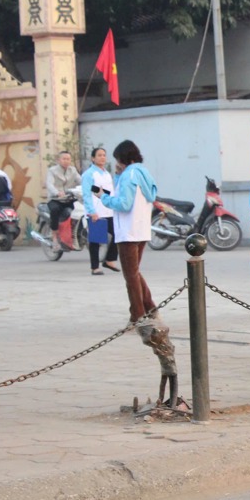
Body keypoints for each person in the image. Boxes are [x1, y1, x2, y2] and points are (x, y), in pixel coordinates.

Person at [100, 141, 177, 384]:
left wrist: (104, 198)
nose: (116, 164)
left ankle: (138, 316)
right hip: (142, 230)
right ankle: (151, 310)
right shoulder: (143, 172)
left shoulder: (129, 175)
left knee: (130, 275)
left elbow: (123, 204)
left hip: (127, 232)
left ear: (123, 157)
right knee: (134, 272)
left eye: (116, 159)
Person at [81, 147, 119, 276]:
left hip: (109, 210)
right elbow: (87, 194)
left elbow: (110, 192)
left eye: (104, 155)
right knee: (96, 240)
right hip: (96, 211)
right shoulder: (89, 174)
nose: (102, 157)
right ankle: (95, 267)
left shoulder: (107, 174)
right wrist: (92, 211)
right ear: (93, 158)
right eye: (99, 155)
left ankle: (109, 259)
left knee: (117, 235)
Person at [45, 150, 82, 251]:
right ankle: (55, 238)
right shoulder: (52, 171)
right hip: (55, 199)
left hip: (68, 198)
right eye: (64, 159)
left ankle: (74, 235)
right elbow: (49, 184)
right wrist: (57, 192)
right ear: (59, 160)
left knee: (78, 210)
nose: (66, 161)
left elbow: (81, 180)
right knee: (55, 210)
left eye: (68, 159)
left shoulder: (72, 170)